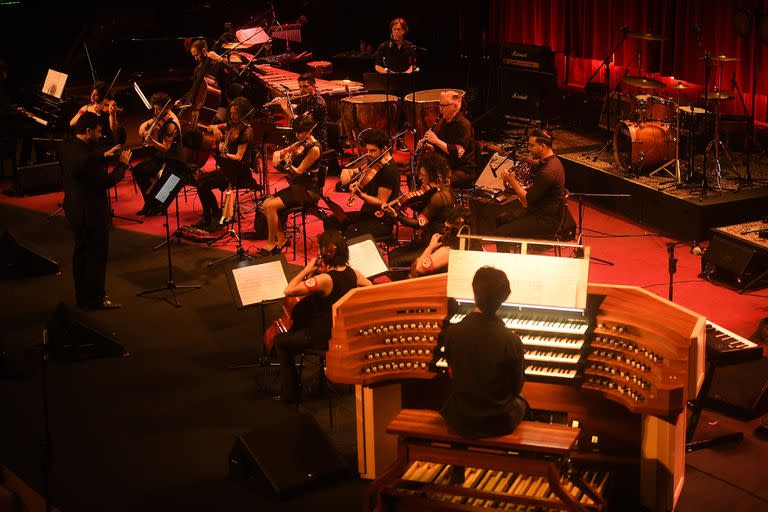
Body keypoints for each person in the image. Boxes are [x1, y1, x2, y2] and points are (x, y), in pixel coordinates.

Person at [275, 230, 372, 402]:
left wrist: (307, 269)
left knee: (281, 341)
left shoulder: (325, 280)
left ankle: (289, 393)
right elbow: (370, 286)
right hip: (343, 333)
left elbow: (289, 290)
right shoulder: (353, 273)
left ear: (328, 253)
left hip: (322, 338)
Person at [439, 266, 526, 439]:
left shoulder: (452, 333)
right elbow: (516, 388)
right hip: (497, 422)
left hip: (461, 418)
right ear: (503, 299)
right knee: (522, 403)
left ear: (474, 292)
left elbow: (452, 374)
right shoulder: (512, 341)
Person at [59, 113, 132, 309]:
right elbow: (105, 182)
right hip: (92, 214)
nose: (101, 136)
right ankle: (97, 299)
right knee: (97, 257)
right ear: (89, 131)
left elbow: (85, 163)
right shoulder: (88, 159)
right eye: (99, 131)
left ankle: (82, 297)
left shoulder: (68, 145)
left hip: (74, 209)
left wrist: (103, 155)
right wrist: (122, 166)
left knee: (81, 256)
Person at [494, 129, 568, 250]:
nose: (529, 149)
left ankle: (504, 264)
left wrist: (512, 181)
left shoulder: (548, 171)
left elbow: (527, 200)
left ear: (543, 146)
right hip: (538, 211)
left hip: (545, 220)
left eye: (531, 145)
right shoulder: (554, 161)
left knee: (500, 233)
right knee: (501, 219)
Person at [260, 115, 322, 255]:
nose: (297, 135)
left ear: (309, 130)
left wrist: (289, 165)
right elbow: (283, 152)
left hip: (308, 191)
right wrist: (277, 153)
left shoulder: (315, 149)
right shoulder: (300, 143)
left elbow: (299, 171)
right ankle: (281, 239)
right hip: (298, 187)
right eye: (296, 132)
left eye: (300, 132)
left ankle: (271, 243)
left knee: (270, 205)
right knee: (265, 203)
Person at [191, 96, 255, 232]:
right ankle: (208, 216)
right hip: (228, 166)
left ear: (243, 114)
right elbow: (209, 127)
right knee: (200, 182)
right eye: (231, 113)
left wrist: (224, 154)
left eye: (235, 114)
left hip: (239, 170)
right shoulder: (231, 125)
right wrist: (216, 129)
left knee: (204, 184)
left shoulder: (246, 131)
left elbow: (238, 157)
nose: (232, 116)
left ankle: (215, 216)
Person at [323, 128, 400, 238]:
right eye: (367, 150)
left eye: (372, 151)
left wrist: (361, 195)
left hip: (380, 220)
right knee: (330, 221)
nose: (368, 154)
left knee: (348, 232)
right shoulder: (375, 161)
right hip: (367, 213)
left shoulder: (389, 171)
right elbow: (358, 171)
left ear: (384, 149)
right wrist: (347, 171)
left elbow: (381, 202)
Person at [386, 152, 454, 273]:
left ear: (432, 175)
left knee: (395, 261)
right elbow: (428, 212)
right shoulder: (440, 189)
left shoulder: (438, 197)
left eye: (423, 175)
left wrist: (397, 216)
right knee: (393, 255)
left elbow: (418, 224)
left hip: (433, 244)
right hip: (427, 239)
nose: (420, 178)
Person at [132, 92, 182, 216]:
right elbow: (147, 124)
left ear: (167, 108)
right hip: (164, 157)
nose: (156, 112)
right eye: (155, 109)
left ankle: (155, 201)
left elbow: (165, 148)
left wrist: (152, 141)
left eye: (159, 109)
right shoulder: (161, 115)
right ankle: (150, 201)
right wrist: (144, 128)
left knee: (143, 170)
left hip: (174, 160)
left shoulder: (171, 124)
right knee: (137, 170)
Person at [422, 90, 476, 187]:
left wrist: (436, 141)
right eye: (440, 105)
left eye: (444, 106)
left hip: (463, 170)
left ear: (455, 106)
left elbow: (457, 153)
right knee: (423, 174)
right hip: (448, 166)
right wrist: (432, 148)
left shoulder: (464, 126)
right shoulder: (445, 122)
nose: (441, 109)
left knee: (438, 182)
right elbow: (444, 149)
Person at [409, 206, 478, 278]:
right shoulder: (474, 242)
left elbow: (419, 269)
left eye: (446, 228)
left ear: (458, 222)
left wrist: (430, 247)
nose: (445, 232)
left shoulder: (448, 251)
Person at [179, 38, 232, 119]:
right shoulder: (198, 69)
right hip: (203, 107)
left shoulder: (218, 64)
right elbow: (194, 89)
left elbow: (234, 71)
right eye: (193, 56)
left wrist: (220, 59)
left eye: (196, 55)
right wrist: (182, 100)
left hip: (220, 106)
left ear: (204, 51)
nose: (195, 58)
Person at [277, 73, 328, 148]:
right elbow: (296, 110)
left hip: (316, 141)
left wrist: (286, 109)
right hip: (303, 138)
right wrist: (285, 103)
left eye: (305, 87)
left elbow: (301, 126)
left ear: (314, 86)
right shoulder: (305, 98)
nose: (302, 90)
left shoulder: (319, 103)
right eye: (300, 87)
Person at [69, 81, 118, 147]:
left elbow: (113, 129)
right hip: (89, 141)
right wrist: (85, 111)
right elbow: (72, 123)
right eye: (92, 93)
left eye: (96, 95)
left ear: (102, 96)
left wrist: (112, 114)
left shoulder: (108, 109)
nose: (92, 96)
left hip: (103, 141)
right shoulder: (86, 107)